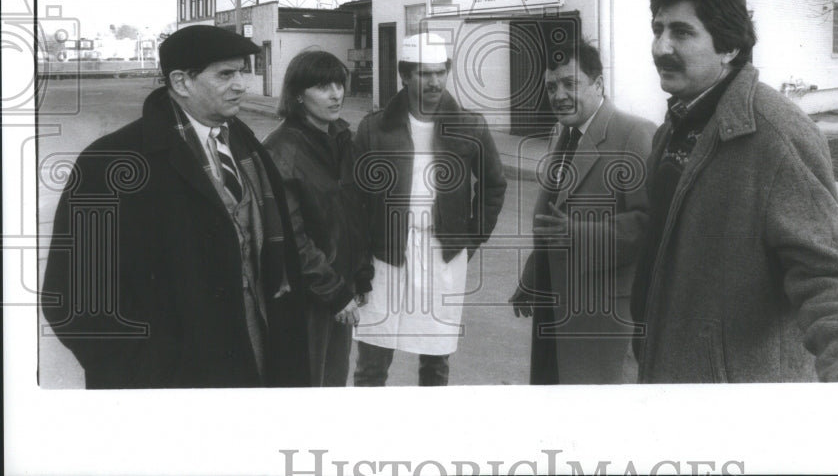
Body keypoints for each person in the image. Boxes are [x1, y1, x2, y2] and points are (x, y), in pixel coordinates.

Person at [631, 0, 838, 382]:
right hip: (667, 367)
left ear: (729, 46)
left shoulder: (774, 133)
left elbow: (831, 272)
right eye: (658, 30)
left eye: (681, 32)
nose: (661, 47)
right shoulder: (676, 125)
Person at [41, 25, 309, 388]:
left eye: (242, 71)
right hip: (174, 381)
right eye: (226, 74)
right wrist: (149, 374)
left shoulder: (245, 145)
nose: (242, 85)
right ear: (182, 82)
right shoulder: (110, 162)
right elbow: (75, 302)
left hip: (256, 355)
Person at [348, 32, 507, 386]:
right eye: (424, 73)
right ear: (405, 75)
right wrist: (359, 263)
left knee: (436, 363)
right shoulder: (374, 128)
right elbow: (353, 201)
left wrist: (469, 239)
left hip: (441, 256)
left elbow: (494, 184)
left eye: (440, 71)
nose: (434, 81)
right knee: (372, 362)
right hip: (384, 256)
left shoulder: (469, 126)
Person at [509, 41, 655, 384]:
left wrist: (577, 233)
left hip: (601, 315)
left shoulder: (635, 133)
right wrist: (535, 274)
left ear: (599, 84)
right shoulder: (564, 133)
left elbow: (649, 225)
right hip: (553, 304)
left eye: (570, 84)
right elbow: (553, 214)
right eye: (551, 86)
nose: (558, 95)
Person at [263, 49, 370, 386]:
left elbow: (355, 213)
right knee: (309, 383)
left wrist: (361, 275)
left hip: (341, 287)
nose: (336, 93)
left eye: (339, 83)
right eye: (324, 86)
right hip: (309, 295)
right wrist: (334, 291)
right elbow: (292, 235)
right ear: (298, 94)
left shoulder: (341, 138)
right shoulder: (282, 150)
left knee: (334, 381)